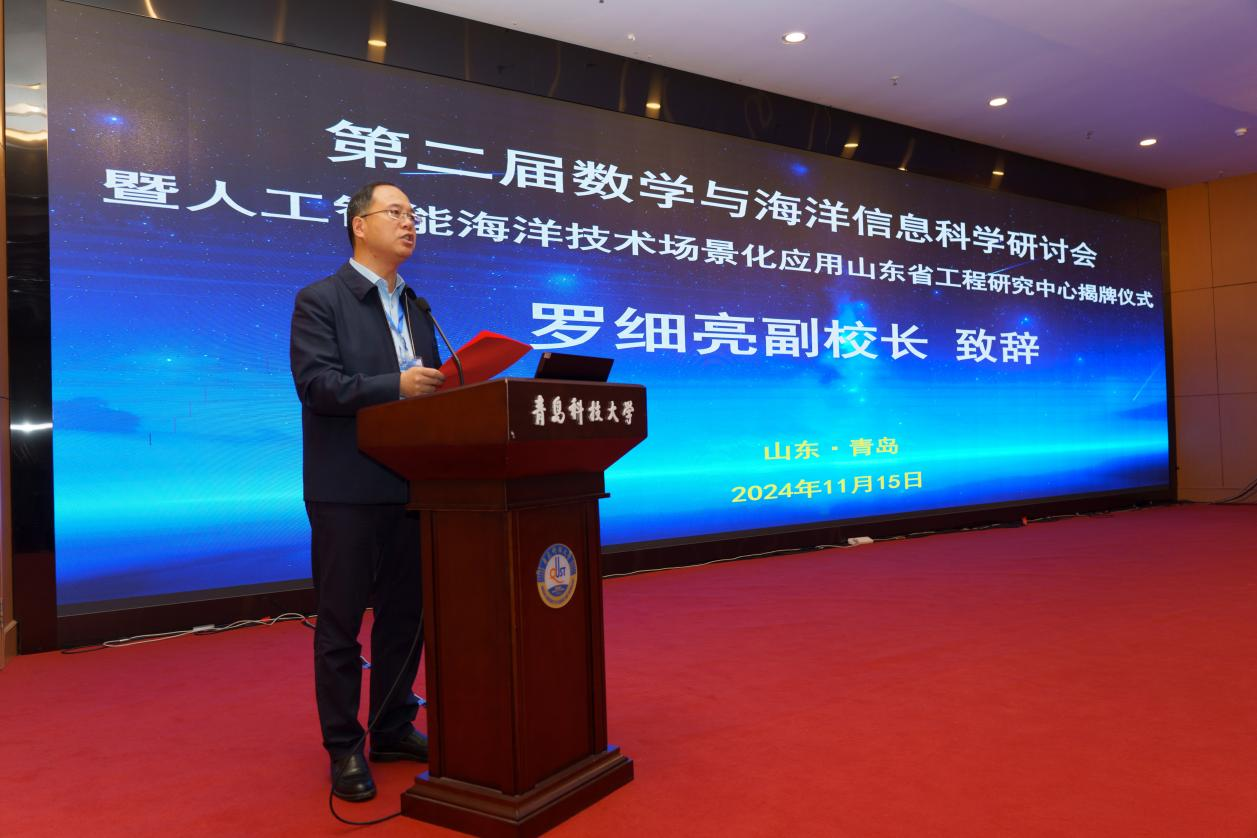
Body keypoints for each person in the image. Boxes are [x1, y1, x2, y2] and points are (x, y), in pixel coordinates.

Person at [289, 181, 445, 802]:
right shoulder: (320, 299)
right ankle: (344, 747)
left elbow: (427, 394)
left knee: (407, 616)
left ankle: (391, 726)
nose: (410, 223)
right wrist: (395, 387)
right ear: (359, 225)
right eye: (396, 213)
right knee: (342, 622)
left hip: (412, 485)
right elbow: (318, 386)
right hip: (346, 487)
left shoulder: (418, 306)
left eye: (413, 215)